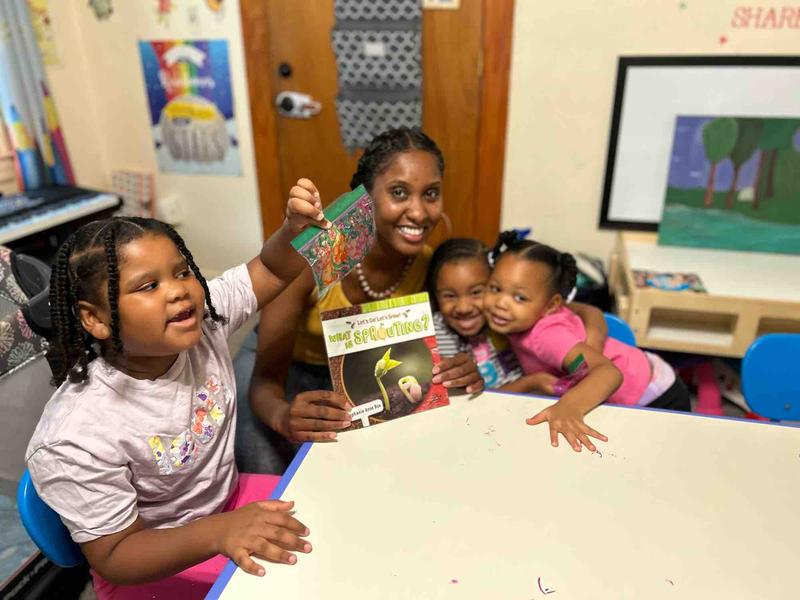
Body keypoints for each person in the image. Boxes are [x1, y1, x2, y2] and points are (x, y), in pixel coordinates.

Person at [25, 183, 326, 598]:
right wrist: (218, 532)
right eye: (148, 286)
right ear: (95, 318)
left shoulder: (206, 318)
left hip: (228, 505)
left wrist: (293, 230)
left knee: (328, 536)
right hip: (151, 562)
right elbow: (115, 554)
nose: (178, 289)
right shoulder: (75, 433)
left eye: (182, 271)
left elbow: (272, 270)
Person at [243, 128, 483, 464]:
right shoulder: (313, 259)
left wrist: (462, 371)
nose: (418, 212)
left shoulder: (429, 264)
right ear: (365, 197)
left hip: (361, 377)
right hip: (284, 366)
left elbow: (430, 349)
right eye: (399, 193)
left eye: (431, 194)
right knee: (269, 473)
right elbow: (263, 383)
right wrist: (283, 416)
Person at [483, 231, 691, 453]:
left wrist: (569, 407)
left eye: (519, 298)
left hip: (655, 395)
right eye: (495, 289)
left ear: (551, 305)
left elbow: (607, 372)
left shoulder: (547, 337)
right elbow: (587, 311)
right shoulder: (526, 316)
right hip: (646, 371)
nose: (501, 303)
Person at [426, 237, 609, 392]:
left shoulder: (506, 315)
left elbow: (589, 311)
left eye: (476, 292)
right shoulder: (434, 336)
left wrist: (592, 344)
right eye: (449, 295)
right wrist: (531, 382)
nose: (463, 307)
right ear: (435, 295)